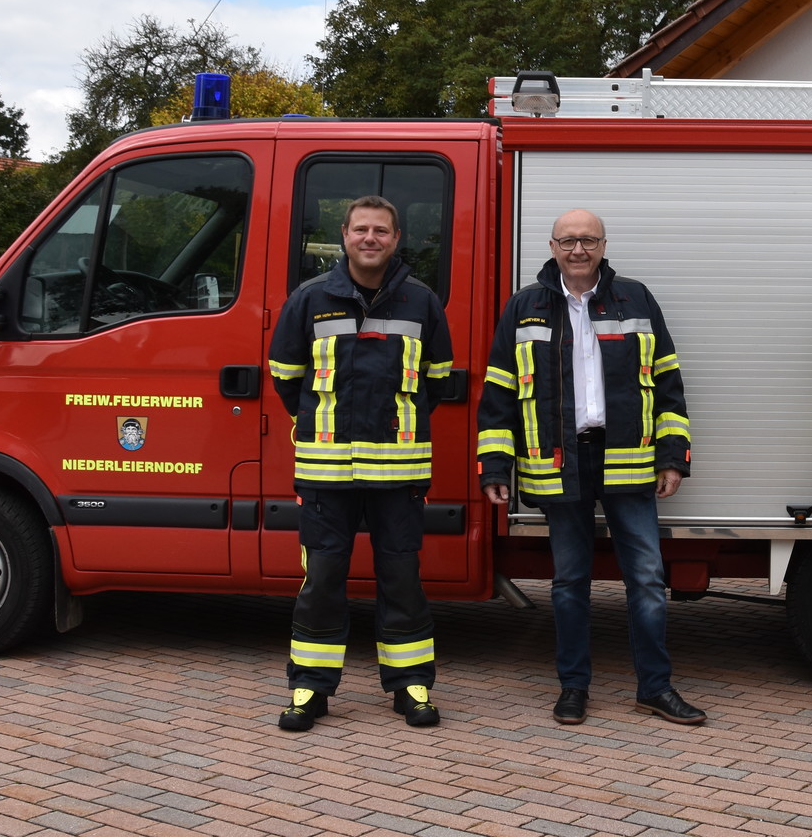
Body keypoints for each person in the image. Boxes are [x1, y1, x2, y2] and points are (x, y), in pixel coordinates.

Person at [478, 210, 705, 727]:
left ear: (603, 244)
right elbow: (499, 394)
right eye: (568, 240)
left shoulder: (637, 298)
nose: (578, 249)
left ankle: (655, 688)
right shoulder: (524, 307)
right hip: (560, 462)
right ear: (553, 245)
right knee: (570, 579)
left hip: (628, 460)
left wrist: (673, 457)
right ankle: (573, 688)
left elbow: (668, 383)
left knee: (646, 578)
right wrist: (494, 464)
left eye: (588, 240)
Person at [266, 195, 454, 731]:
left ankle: (411, 686)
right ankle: (309, 688)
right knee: (321, 578)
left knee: (402, 578)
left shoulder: (421, 302)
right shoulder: (309, 299)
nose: (370, 238)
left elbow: (437, 381)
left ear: (396, 239)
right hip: (326, 472)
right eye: (360, 230)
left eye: (381, 231)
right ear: (344, 235)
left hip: (399, 471)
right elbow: (285, 377)